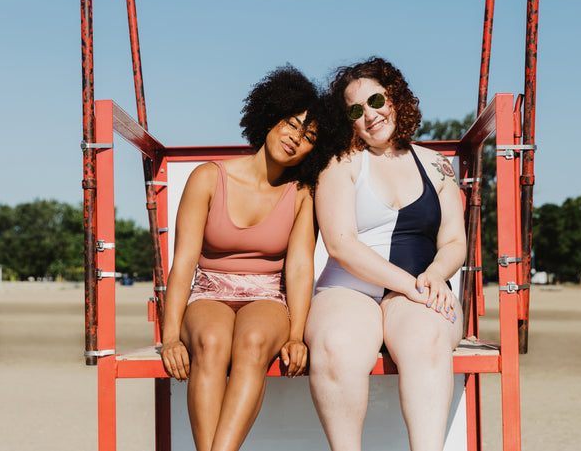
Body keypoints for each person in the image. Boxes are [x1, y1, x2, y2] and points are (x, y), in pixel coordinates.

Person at [160, 65, 345, 451]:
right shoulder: (208, 178)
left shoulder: (302, 193)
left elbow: (298, 266)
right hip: (208, 291)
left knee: (255, 341)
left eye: (310, 136)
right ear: (270, 117)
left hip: (267, 296)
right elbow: (183, 264)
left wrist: (296, 336)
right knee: (210, 341)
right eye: (291, 124)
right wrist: (170, 337)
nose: (296, 139)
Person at [305, 57, 466, 451]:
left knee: (427, 338)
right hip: (351, 289)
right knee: (336, 345)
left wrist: (432, 275)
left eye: (376, 100)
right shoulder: (339, 163)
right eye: (356, 111)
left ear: (394, 97)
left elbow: (454, 242)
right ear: (349, 122)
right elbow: (341, 245)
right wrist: (411, 286)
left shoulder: (437, 165)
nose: (371, 115)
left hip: (420, 286)